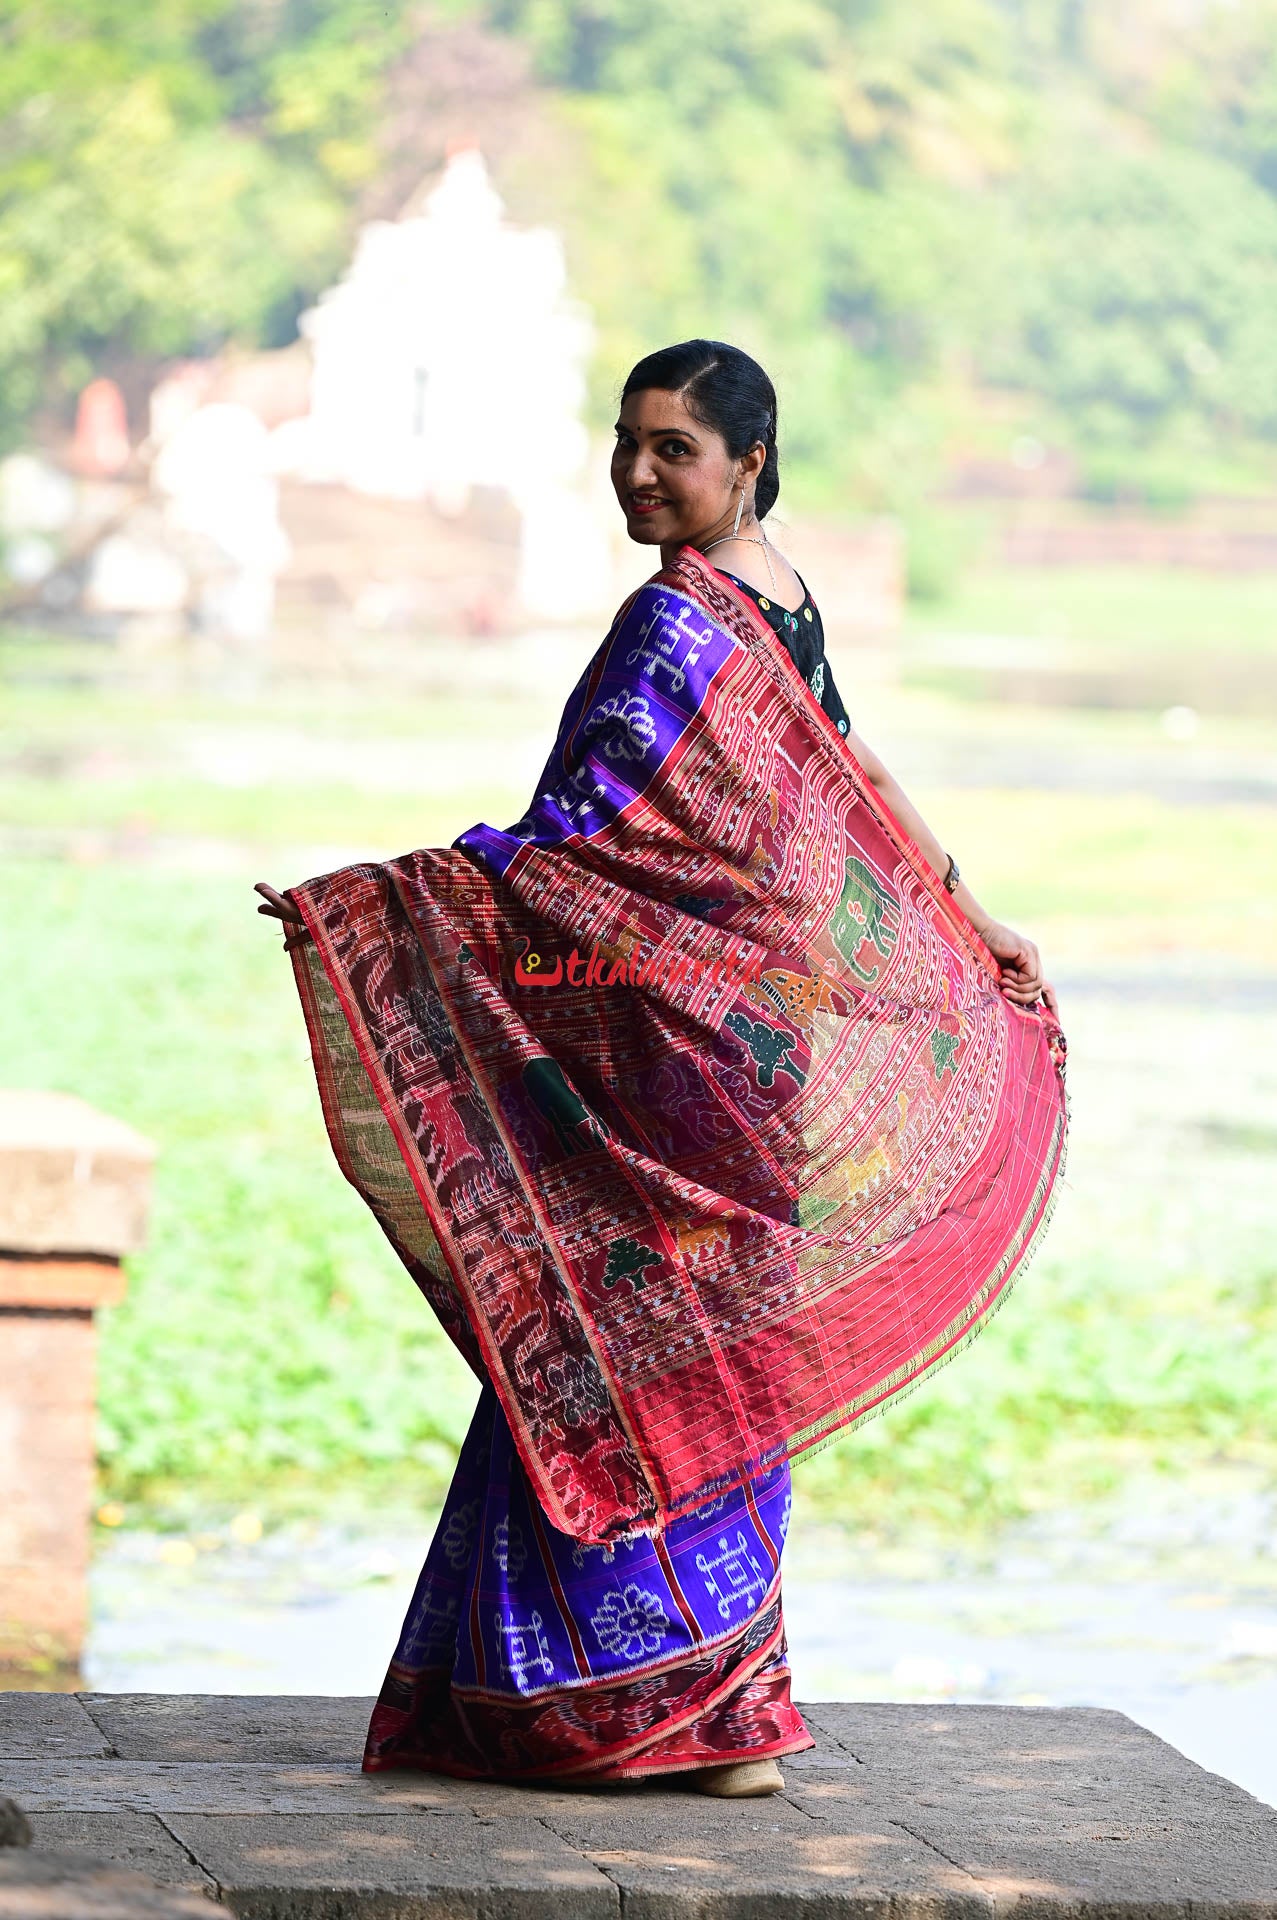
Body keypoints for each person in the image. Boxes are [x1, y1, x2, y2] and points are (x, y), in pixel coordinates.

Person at [257, 339, 1065, 1796]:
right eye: (624, 442)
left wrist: (386, 907)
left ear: (748, 459)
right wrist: (958, 899)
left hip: (676, 1067)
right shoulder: (778, 598)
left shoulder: (676, 625)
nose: (636, 473)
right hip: (761, 1060)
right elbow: (836, 786)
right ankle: (714, 1712)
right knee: (705, 1354)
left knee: (603, 1344)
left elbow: (584, 849)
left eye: (671, 449)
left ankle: (594, 1705)